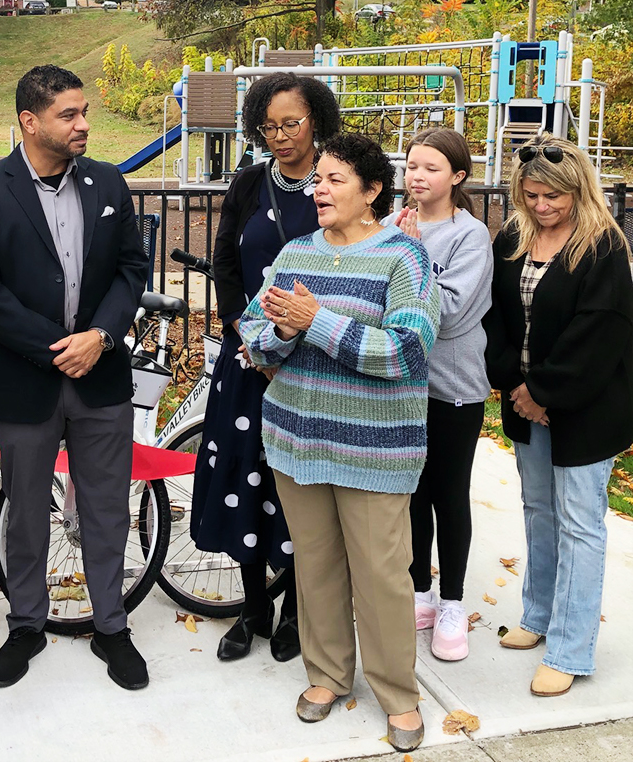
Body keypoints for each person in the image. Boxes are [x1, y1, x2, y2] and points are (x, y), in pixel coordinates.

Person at [240, 133, 439, 753]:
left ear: (372, 191)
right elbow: (254, 331)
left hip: (376, 450)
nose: (318, 190)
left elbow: (406, 353)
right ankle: (326, 675)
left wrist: (314, 322)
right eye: (316, 181)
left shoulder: (404, 258)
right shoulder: (296, 252)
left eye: (334, 181)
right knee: (316, 566)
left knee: (382, 575)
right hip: (298, 439)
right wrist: (277, 332)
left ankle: (398, 696)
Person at [0, 65, 149, 690]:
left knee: (105, 507)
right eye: (69, 114)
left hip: (101, 376)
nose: (83, 123)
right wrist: (55, 348)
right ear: (30, 122)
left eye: (83, 111)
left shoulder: (108, 182)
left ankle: (112, 627)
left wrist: (101, 338)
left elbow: (130, 270)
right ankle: (26, 624)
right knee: (27, 508)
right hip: (27, 379)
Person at [192, 73, 341, 662]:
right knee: (244, 482)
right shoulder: (250, 182)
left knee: (306, 487)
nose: (280, 137)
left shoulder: (337, 182)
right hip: (249, 360)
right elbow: (225, 261)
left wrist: (304, 337)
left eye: (292, 124)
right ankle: (254, 609)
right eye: (268, 126)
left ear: (317, 121)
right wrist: (243, 333)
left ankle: (299, 613)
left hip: (316, 363)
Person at [484, 133, 633, 697]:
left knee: (579, 524)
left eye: (554, 196)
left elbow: (600, 332)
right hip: (527, 403)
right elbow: (496, 318)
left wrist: (544, 390)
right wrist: (515, 385)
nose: (542, 205)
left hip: (585, 410)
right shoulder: (513, 239)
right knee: (538, 511)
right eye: (533, 193)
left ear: (578, 190)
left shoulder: (603, 247)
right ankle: (537, 616)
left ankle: (571, 649)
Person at [386, 128, 493, 661]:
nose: (416, 177)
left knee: (449, 494)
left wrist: (408, 254)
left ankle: (452, 601)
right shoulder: (389, 225)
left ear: (457, 176)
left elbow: (448, 315)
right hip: (397, 388)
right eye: (410, 167)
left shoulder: (470, 237)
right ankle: (420, 592)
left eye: (429, 168)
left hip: (452, 389)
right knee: (412, 496)